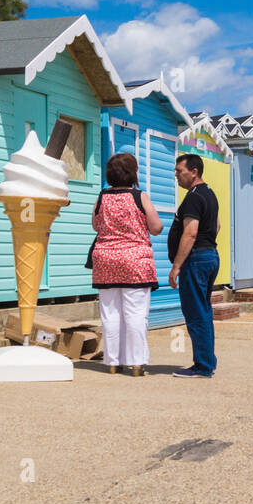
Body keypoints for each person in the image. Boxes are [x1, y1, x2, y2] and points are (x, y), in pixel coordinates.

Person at [91, 153, 163, 376]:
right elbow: (156, 227)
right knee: (135, 313)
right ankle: (137, 363)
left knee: (110, 314)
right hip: (135, 262)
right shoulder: (139, 196)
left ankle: (112, 362)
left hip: (105, 260)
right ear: (133, 173)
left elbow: (95, 226)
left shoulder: (102, 197)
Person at [168, 153, 220, 378]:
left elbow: (190, 233)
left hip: (197, 260)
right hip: (209, 256)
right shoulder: (209, 194)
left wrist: (176, 266)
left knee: (196, 313)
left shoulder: (193, 197)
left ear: (194, 171)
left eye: (180, 171)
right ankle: (208, 360)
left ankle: (203, 366)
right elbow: (216, 226)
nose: (177, 175)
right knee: (204, 312)